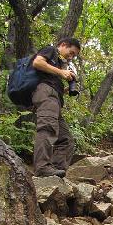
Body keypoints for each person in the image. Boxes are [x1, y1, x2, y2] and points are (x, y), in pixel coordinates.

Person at [31, 37, 81, 177]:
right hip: (46, 94)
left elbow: (51, 78)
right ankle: (42, 168)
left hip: (54, 99)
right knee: (47, 128)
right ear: (63, 45)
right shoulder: (51, 50)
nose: (71, 57)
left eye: (74, 56)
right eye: (71, 53)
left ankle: (56, 171)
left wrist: (66, 88)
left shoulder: (59, 64)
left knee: (66, 140)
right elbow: (37, 62)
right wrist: (61, 73)